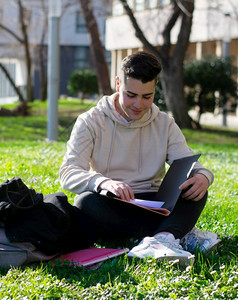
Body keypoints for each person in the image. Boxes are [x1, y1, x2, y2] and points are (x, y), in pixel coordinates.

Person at [59, 51, 218, 266]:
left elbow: (189, 164)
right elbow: (68, 173)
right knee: (85, 203)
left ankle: (161, 240)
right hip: (114, 202)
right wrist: (103, 182)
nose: (139, 105)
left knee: (196, 190)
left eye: (147, 96)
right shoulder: (90, 121)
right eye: (130, 95)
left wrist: (204, 177)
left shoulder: (164, 123)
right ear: (118, 84)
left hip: (155, 203)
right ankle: (174, 234)